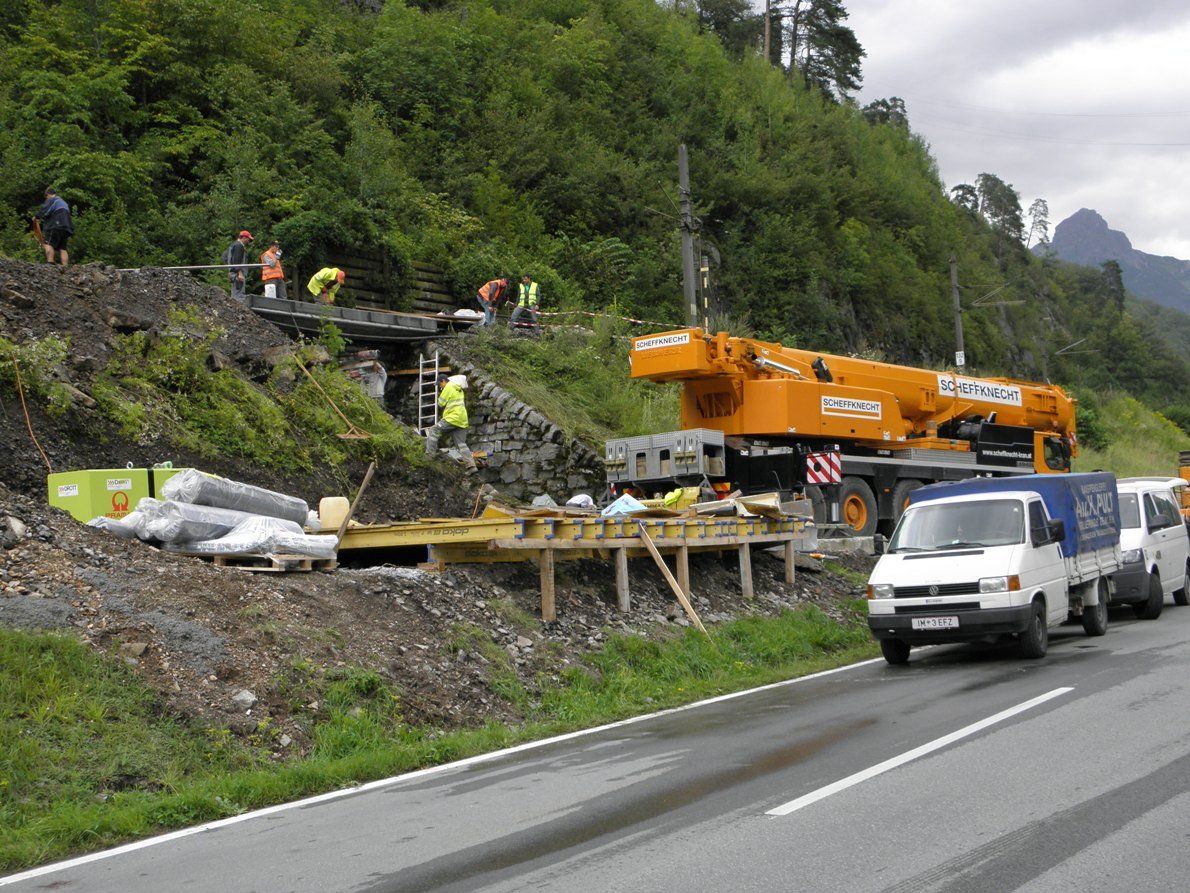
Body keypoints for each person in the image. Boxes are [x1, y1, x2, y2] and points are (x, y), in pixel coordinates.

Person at [424, 374, 477, 471]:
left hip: (452, 418)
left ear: (444, 381)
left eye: (440, 384)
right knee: (461, 444)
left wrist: (441, 393)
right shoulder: (458, 388)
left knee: (434, 430)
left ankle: (429, 456)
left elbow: (441, 403)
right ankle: (472, 466)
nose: (440, 386)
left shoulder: (448, 387)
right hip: (462, 419)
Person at [36, 188, 73, 266]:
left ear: (48, 195)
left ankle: (50, 263)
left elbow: (44, 210)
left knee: (48, 243)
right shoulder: (63, 202)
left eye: (46, 197)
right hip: (67, 226)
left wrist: (37, 217)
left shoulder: (53, 199)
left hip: (56, 224)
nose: (46, 199)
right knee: (63, 248)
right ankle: (65, 266)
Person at [223, 230, 253, 303]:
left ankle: (234, 308)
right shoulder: (239, 246)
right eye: (248, 239)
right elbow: (237, 261)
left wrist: (230, 269)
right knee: (238, 295)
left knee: (235, 293)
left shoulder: (233, 245)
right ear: (244, 238)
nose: (249, 242)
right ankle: (237, 309)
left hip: (233, 273)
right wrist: (240, 273)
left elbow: (224, 257)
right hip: (238, 275)